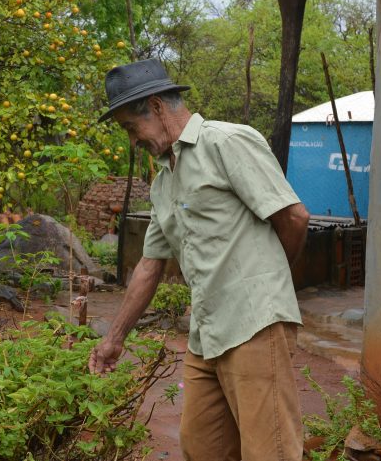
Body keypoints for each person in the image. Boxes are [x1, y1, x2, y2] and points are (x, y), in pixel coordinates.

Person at [88, 59, 310, 461]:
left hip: (255, 324)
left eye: (130, 128)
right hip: (206, 334)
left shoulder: (225, 143)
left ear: (155, 108)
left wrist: (272, 282)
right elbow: (149, 265)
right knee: (201, 447)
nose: (132, 141)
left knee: (270, 452)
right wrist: (113, 338)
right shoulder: (164, 181)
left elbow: (293, 217)